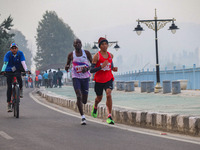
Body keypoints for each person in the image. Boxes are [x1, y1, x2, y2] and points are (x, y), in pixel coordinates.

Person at [90, 37, 118, 125]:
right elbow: (91, 70)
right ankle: (95, 106)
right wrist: (101, 67)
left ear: (108, 45)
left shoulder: (111, 55)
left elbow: (110, 65)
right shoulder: (96, 56)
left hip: (108, 78)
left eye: (106, 44)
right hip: (99, 80)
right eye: (102, 44)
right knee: (99, 98)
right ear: (100, 46)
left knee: (109, 94)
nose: (105, 45)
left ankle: (109, 116)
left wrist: (113, 69)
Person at [65, 39, 92, 125]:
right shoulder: (71, 55)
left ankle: (79, 102)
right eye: (76, 43)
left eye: (79, 43)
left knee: (84, 100)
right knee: (78, 95)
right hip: (76, 77)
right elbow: (67, 65)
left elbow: (93, 64)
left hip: (85, 78)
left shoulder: (86, 53)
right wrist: (67, 67)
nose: (78, 44)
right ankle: (83, 117)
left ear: (81, 44)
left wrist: (87, 68)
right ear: (73, 45)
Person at [1, 43, 29, 112]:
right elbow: (5, 63)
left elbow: (23, 62)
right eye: (12, 48)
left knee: (19, 78)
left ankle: (20, 89)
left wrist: (26, 70)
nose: (14, 49)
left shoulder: (20, 53)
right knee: (9, 87)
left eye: (15, 48)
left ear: (17, 48)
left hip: (17, 69)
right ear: (10, 49)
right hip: (9, 70)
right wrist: (3, 70)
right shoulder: (8, 54)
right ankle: (8, 104)